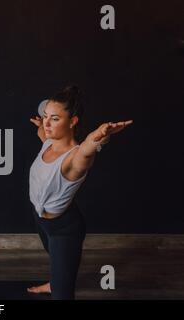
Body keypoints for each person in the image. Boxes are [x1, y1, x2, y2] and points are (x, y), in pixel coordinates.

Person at [27, 85, 133, 299]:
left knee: (63, 295)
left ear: (72, 121)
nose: (47, 123)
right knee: (56, 261)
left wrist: (100, 136)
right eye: (46, 116)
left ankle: (58, 285)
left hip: (64, 229)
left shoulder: (74, 159)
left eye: (55, 119)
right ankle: (56, 280)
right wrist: (42, 124)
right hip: (41, 219)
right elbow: (42, 132)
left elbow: (87, 149)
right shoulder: (48, 141)